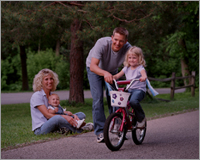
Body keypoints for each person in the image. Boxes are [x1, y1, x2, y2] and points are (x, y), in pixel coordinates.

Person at [86, 27, 132, 143]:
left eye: (121, 41)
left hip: (112, 71)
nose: (117, 43)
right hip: (95, 70)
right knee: (98, 99)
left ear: (125, 41)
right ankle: (100, 131)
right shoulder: (102, 43)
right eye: (115, 39)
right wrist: (105, 73)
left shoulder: (128, 48)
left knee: (115, 98)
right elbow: (93, 66)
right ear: (112, 38)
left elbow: (132, 66)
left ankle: (117, 128)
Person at [30, 68, 93, 135]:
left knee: (81, 114)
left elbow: (60, 112)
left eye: (51, 79)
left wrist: (72, 116)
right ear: (41, 82)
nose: (50, 81)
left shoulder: (52, 95)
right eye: (46, 79)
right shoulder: (37, 96)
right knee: (58, 118)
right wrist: (66, 117)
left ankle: (66, 128)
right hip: (41, 128)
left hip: (55, 123)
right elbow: (48, 115)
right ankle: (81, 129)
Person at [113, 46, 147, 127]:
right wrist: (112, 77)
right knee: (119, 101)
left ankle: (141, 118)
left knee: (133, 101)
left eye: (134, 58)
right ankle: (121, 120)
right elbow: (117, 76)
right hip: (129, 89)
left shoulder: (140, 68)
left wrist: (143, 77)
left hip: (139, 90)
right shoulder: (126, 68)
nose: (131, 60)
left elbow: (144, 74)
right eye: (130, 57)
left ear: (139, 58)